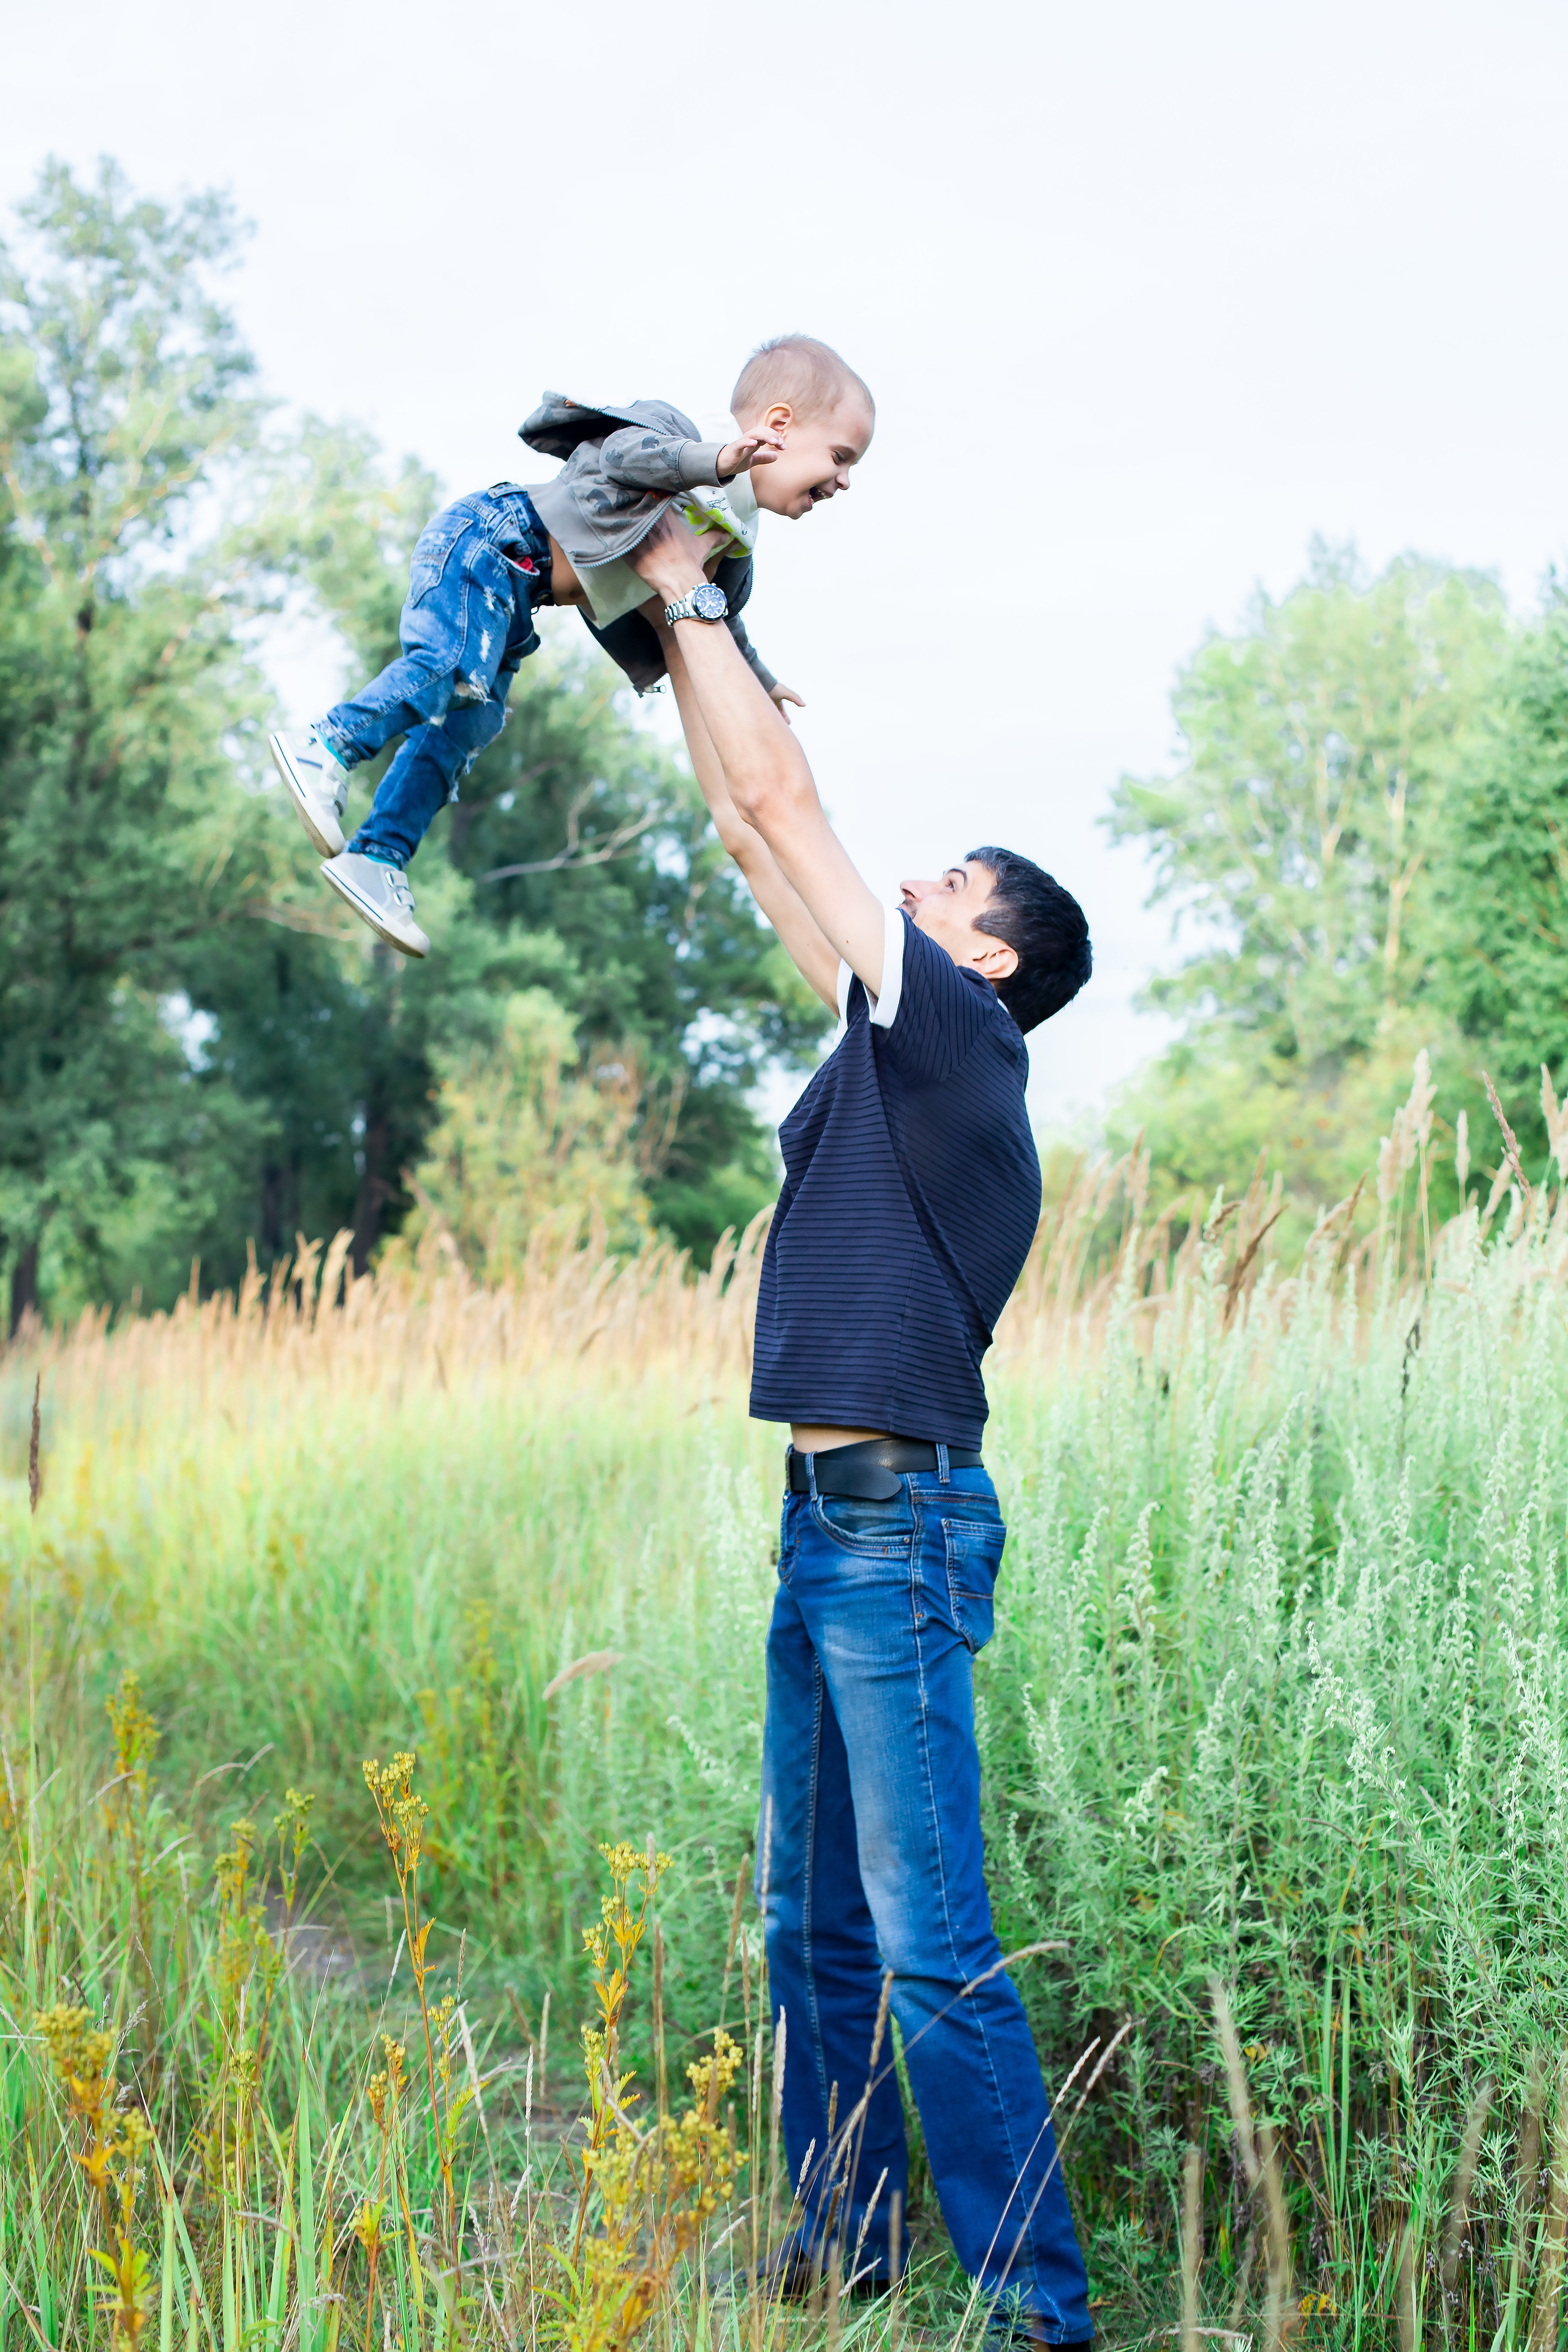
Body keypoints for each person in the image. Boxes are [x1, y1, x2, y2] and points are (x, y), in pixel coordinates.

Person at [624, 505, 1095, 2345]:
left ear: (988, 961)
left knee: (929, 1950)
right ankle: (850, 2239)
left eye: (948, 883)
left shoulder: (966, 1049)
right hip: (825, 1520)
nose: (912, 883)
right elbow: (754, 822)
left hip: (896, 1528)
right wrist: (684, 643)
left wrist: (689, 590)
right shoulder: (883, 1039)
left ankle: (1033, 2308)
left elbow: (807, 824)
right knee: (811, 1928)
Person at [267, 335, 873, 959]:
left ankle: (377, 855)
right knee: (450, 668)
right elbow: (623, 455)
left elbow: (722, 620)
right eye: (840, 456)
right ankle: (327, 745)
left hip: (519, 594)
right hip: (490, 537)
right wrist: (716, 460)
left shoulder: (734, 534)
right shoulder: (679, 435)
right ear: (778, 425)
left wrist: (759, 680)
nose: (845, 480)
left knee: (466, 724)